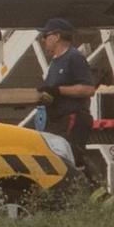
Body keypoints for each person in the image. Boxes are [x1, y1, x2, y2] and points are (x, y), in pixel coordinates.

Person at [37, 19, 99, 188]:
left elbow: (88, 89)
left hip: (72, 118)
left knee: (72, 161)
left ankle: (95, 195)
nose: (43, 40)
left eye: (46, 36)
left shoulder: (74, 57)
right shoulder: (54, 63)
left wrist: (58, 90)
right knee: (59, 161)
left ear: (56, 37)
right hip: (57, 121)